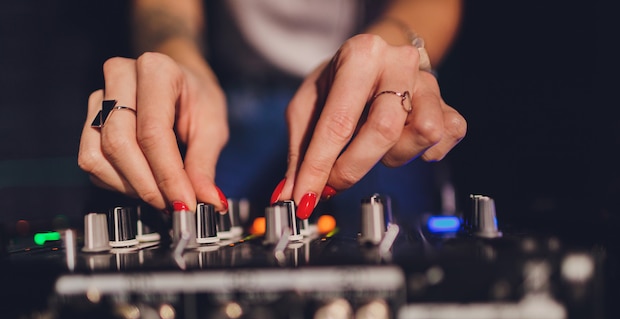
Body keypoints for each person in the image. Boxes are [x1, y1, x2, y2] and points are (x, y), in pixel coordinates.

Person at [78, 0, 467, 230]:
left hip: (367, 92)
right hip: (237, 95)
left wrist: (392, 53)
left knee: (401, 246)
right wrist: (179, 61)